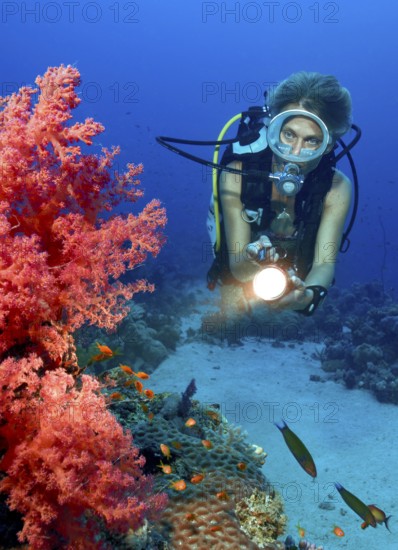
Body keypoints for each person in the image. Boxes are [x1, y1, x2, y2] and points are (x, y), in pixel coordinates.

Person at [210, 71, 353, 316]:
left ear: (328, 144)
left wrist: (308, 297)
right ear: (273, 128)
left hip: (297, 274)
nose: (295, 152)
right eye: (289, 134)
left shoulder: (336, 188)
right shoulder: (237, 173)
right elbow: (238, 266)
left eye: (312, 141)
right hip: (243, 278)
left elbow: (324, 263)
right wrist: (252, 261)